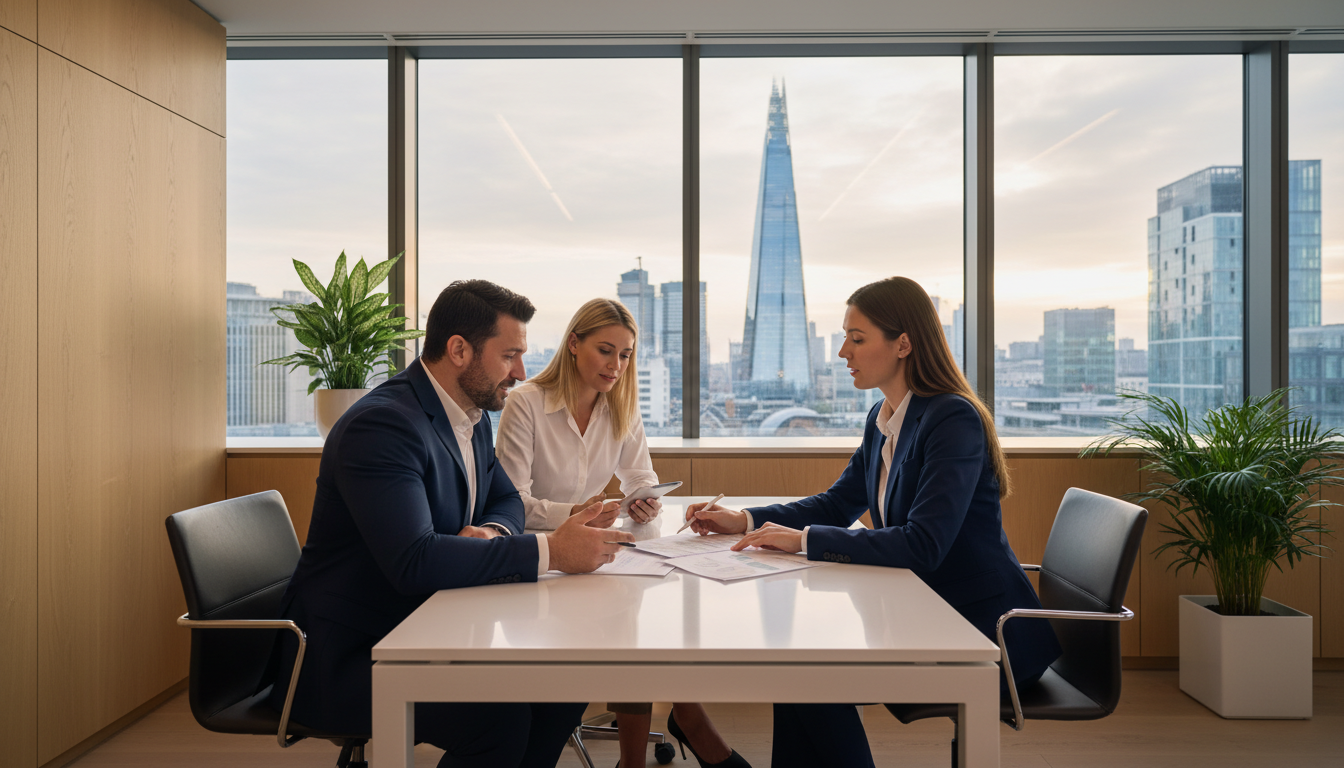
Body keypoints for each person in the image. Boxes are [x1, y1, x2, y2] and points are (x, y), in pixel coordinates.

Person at [685, 276, 1063, 768]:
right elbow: (836, 503)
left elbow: (923, 544)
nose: (843, 351)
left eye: (857, 338)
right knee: (799, 668)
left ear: (903, 343)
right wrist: (745, 519)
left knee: (813, 675)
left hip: (979, 633)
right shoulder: (884, 417)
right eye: (845, 337)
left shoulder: (952, 420)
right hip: (921, 612)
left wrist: (801, 541)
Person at [268, 280, 634, 768]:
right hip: (354, 653)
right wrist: (553, 552)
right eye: (509, 356)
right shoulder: (383, 426)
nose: (521, 372)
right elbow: (414, 561)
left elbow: (505, 498)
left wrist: (494, 533)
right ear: (459, 350)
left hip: (430, 624)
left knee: (562, 684)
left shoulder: (471, 412)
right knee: (498, 724)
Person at [496, 298, 750, 768]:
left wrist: (644, 497)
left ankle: (641, 756)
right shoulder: (525, 403)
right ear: (574, 344)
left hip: (597, 556)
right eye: (605, 350)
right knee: (632, 627)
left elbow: (638, 477)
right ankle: (686, 722)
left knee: (640, 620)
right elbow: (512, 504)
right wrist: (577, 511)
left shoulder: (622, 406)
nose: (616, 366)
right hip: (540, 561)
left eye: (626, 355)